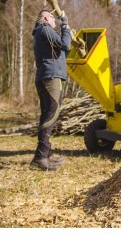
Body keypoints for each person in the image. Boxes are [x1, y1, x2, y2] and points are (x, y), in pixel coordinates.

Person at [31, 9, 71, 171]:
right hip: (51, 76)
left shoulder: (42, 32)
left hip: (46, 75)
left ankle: (45, 154)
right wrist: (66, 27)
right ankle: (41, 157)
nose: (55, 22)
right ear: (46, 18)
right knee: (51, 115)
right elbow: (65, 45)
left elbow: (60, 51)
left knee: (47, 114)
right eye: (53, 18)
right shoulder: (46, 29)